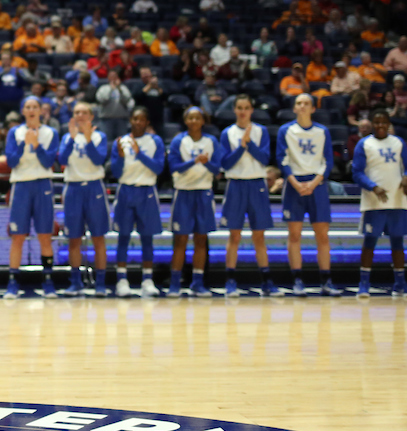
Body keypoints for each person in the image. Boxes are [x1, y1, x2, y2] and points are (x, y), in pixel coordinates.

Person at [278, 94, 341, 297]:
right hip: (294, 185)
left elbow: (328, 161)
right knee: (294, 235)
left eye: (306, 103)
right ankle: (297, 280)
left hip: (317, 185)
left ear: (313, 109)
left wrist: (314, 183)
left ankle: (326, 281)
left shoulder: (322, 131)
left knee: (322, 235)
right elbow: (282, 159)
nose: (302, 106)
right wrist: (296, 183)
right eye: (299, 103)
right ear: (294, 108)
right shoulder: (286, 130)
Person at [219, 95, 279, 298]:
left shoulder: (261, 131)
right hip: (235, 184)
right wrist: (242, 146)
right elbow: (225, 163)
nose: (243, 111)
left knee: (259, 236)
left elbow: (264, 159)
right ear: (234, 110)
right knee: (234, 235)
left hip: (257, 185)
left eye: (246, 107)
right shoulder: (227, 133)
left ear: (251, 109)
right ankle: (230, 281)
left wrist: (249, 144)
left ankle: (267, 281)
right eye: (239, 107)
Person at [352, 109, 407, 299]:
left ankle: (400, 283)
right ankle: (364, 284)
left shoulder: (398, 142)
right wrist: (373, 187)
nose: (380, 125)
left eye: (383, 122)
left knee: (398, 242)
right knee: (370, 241)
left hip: (396, 199)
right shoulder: (364, 144)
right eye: (376, 122)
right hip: (373, 201)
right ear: (371, 124)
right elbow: (357, 173)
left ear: (389, 124)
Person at [3, 97, 57, 300]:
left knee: (45, 235)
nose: (32, 110)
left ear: (41, 111)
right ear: (23, 111)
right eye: (28, 107)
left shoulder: (50, 133)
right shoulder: (14, 133)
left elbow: (48, 162)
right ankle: (12, 282)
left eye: (35, 107)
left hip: (43, 183)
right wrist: (23, 145)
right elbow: (11, 161)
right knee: (17, 236)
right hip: (21, 184)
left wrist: (36, 146)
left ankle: (48, 282)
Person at [109, 107, 165, 298]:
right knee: (123, 237)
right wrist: (120, 157)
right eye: (135, 119)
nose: (138, 122)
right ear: (130, 120)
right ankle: (122, 280)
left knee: (147, 237)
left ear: (147, 122)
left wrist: (139, 153)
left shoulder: (155, 141)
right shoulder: (120, 141)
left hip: (147, 190)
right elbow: (115, 173)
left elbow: (158, 168)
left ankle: (147, 280)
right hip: (125, 190)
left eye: (142, 119)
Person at [57, 102, 110, 297]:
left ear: (91, 116)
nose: (80, 115)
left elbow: (98, 160)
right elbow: (61, 160)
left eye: (84, 112)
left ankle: (101, 283)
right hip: (73, 188)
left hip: (94, 187)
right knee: (74, 239)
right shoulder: (66, 136)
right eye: (76, 112)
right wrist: (72, 139)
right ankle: (75, 282)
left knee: (98, 237)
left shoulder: (99, 136)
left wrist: (87, 139)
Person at [167, 108, 220, 297]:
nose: (194, 120)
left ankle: (198, 282)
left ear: (203, 121)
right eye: (190, 117)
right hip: (183, 193)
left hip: (204, 193)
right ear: (185, 120)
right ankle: (175, 283)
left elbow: (217, 169)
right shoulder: (178, 141)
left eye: (197, 117)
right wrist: (194, 161)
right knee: (180, 239)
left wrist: (206, 163)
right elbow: (174, 167)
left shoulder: (211, 141)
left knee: (201, 239)